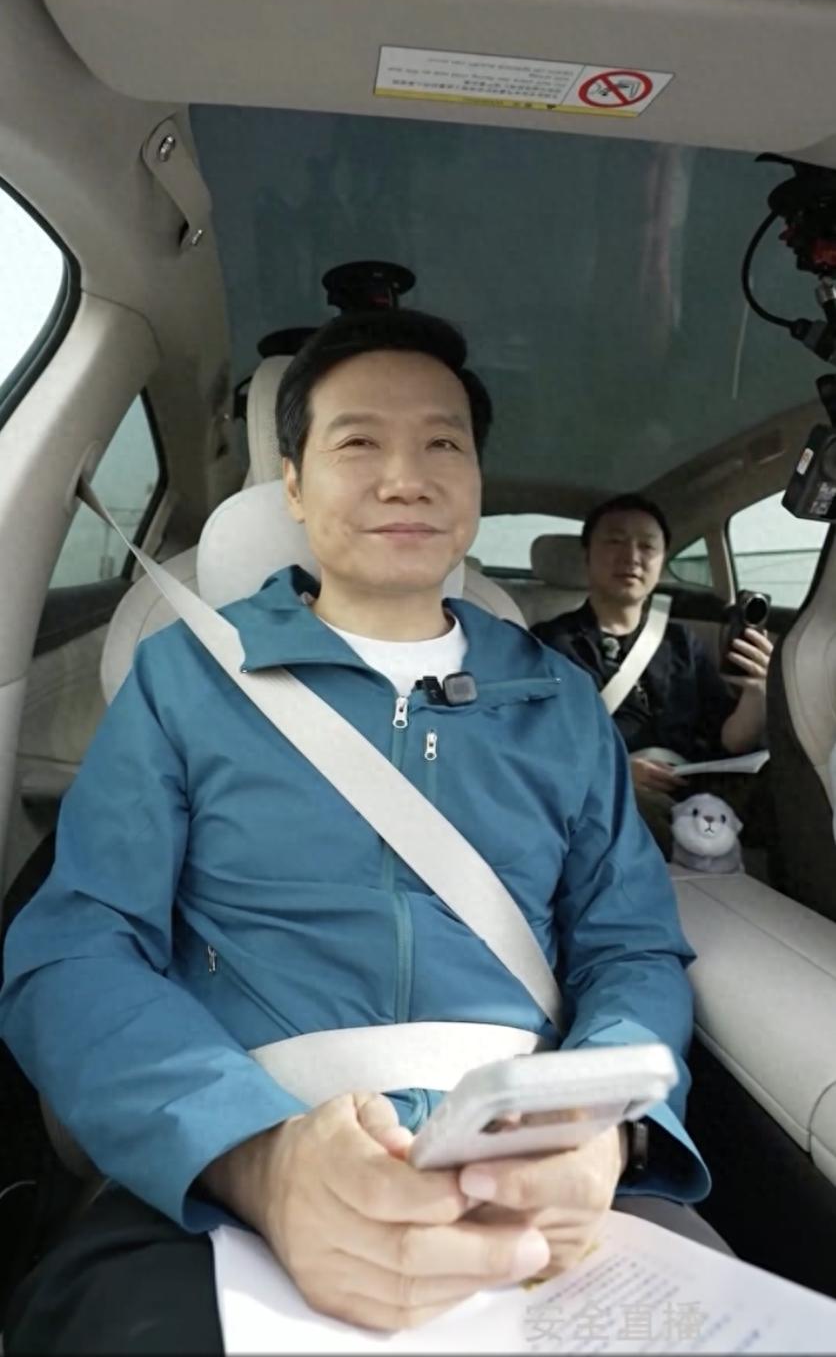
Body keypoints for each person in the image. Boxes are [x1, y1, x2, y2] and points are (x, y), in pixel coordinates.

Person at [1, 312, 725, 1353]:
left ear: (474, 482)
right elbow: (76, 947)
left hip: (528, 1165)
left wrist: (605, 1134)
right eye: (358, 443)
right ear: (292, 485)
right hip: (238, 1152)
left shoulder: (559, 703)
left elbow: (632, 949)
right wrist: (252, 1152)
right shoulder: (186, 680)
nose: (405, 478)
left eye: (442, 444)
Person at [532, 494, 773, 853]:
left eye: (647, 546)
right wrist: (614, 774)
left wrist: (758, 692)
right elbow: (539, 747)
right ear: (587, 555)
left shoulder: (681, 642)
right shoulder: (548, 643)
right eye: (614, 541)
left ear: (661, 560)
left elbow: (729, 741)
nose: (631, 557)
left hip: (694, 788)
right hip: (610, 795)